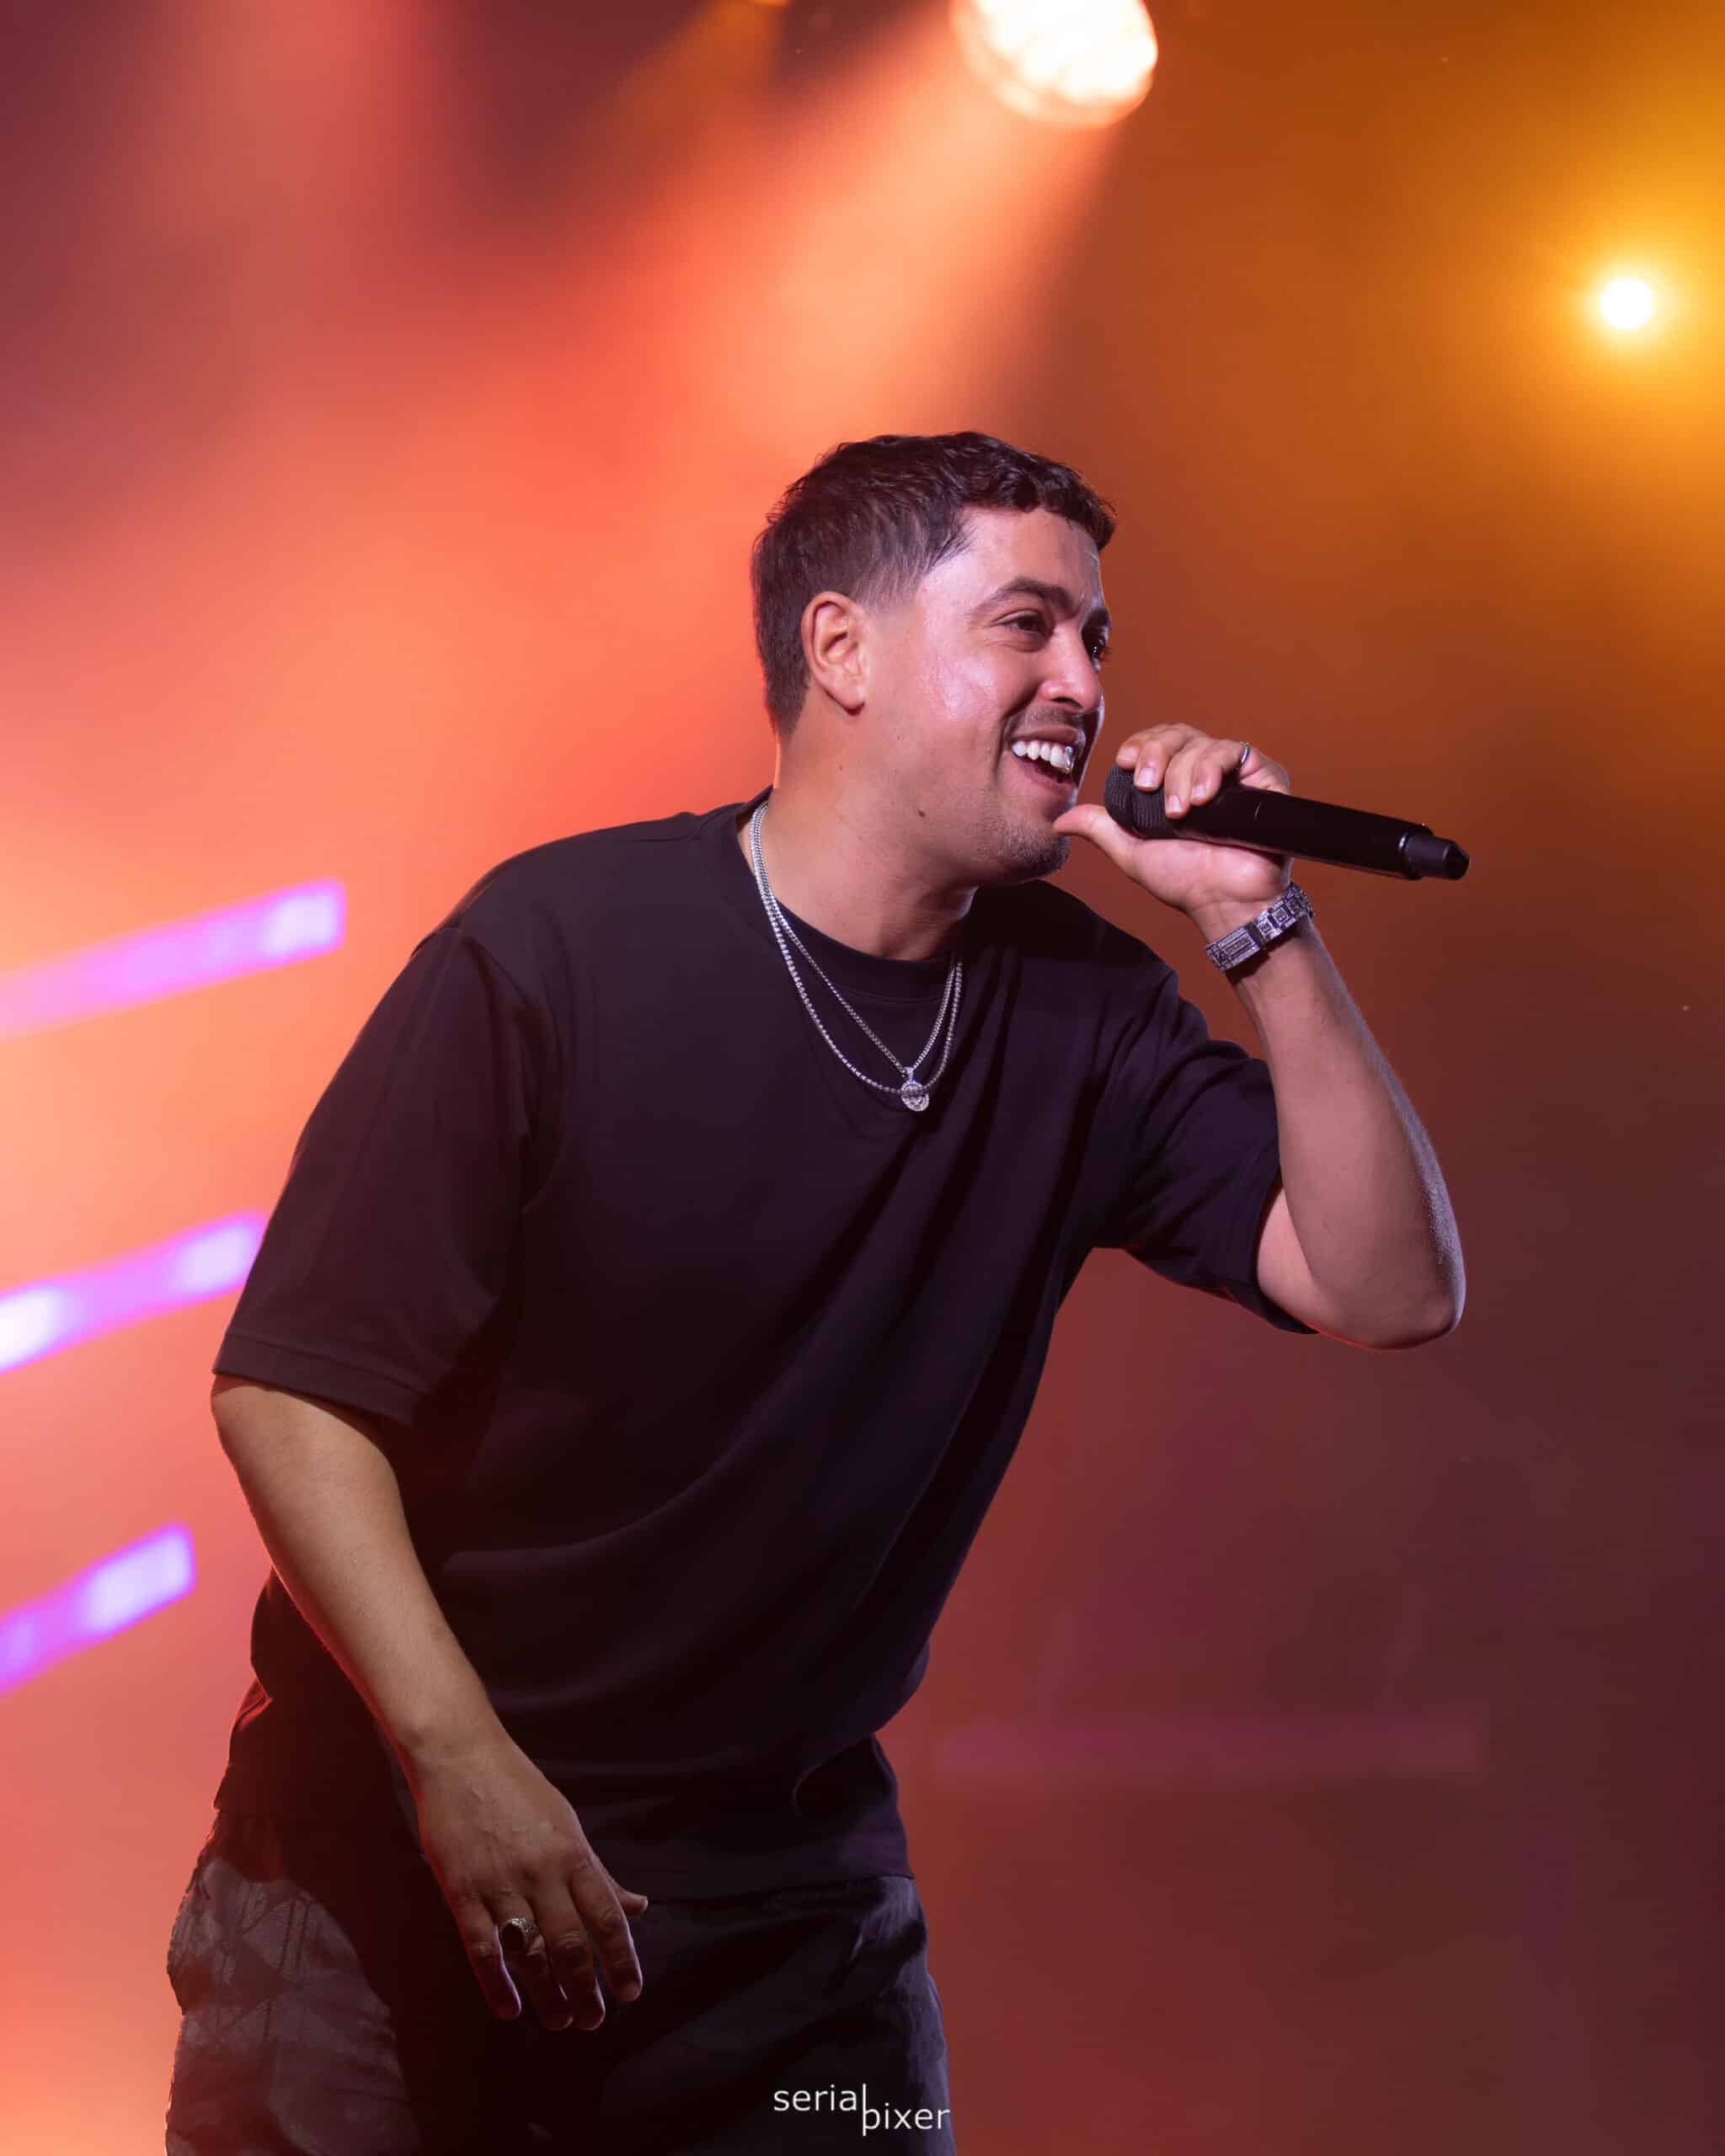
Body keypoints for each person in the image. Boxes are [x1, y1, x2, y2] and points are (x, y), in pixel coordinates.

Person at [163, 430, 1462, 2153]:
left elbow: (1386, 1286)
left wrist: (1258, 920)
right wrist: (458, 1761)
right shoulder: (559, 947)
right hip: (394, 1873)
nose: (1084, 686)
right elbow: (293, 1389)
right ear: (840, 648)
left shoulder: (1087, 1012)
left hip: (783, 1931)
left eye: (1095, 640)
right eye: (1026, 626)